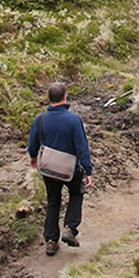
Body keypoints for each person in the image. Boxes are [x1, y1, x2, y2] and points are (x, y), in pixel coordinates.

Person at [27, 81, 94, 257]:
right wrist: (88, 171)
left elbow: (32, 145)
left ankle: (51, 241)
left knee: (53, 201)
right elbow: (82, 148)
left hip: (48, 168)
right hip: (70, 169)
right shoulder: (73, 120)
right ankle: (70, 228)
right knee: (76, 193)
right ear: (65, 97)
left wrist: (34, 159)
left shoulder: (40, 119)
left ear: (49, 98)